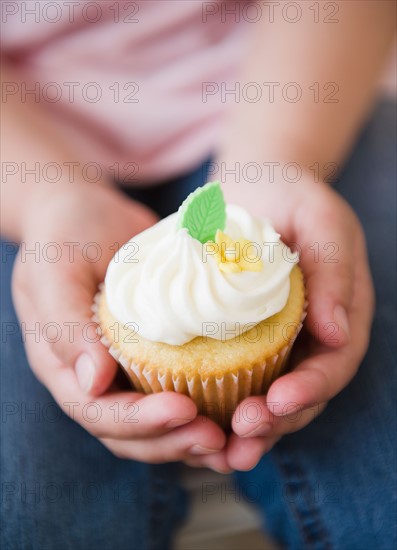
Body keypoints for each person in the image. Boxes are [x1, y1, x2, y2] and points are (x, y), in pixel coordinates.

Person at [1, 1, 395, 548]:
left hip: (290, 96)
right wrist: (50, 201)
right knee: (28, 511)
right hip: (21, 155)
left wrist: (279, 161)